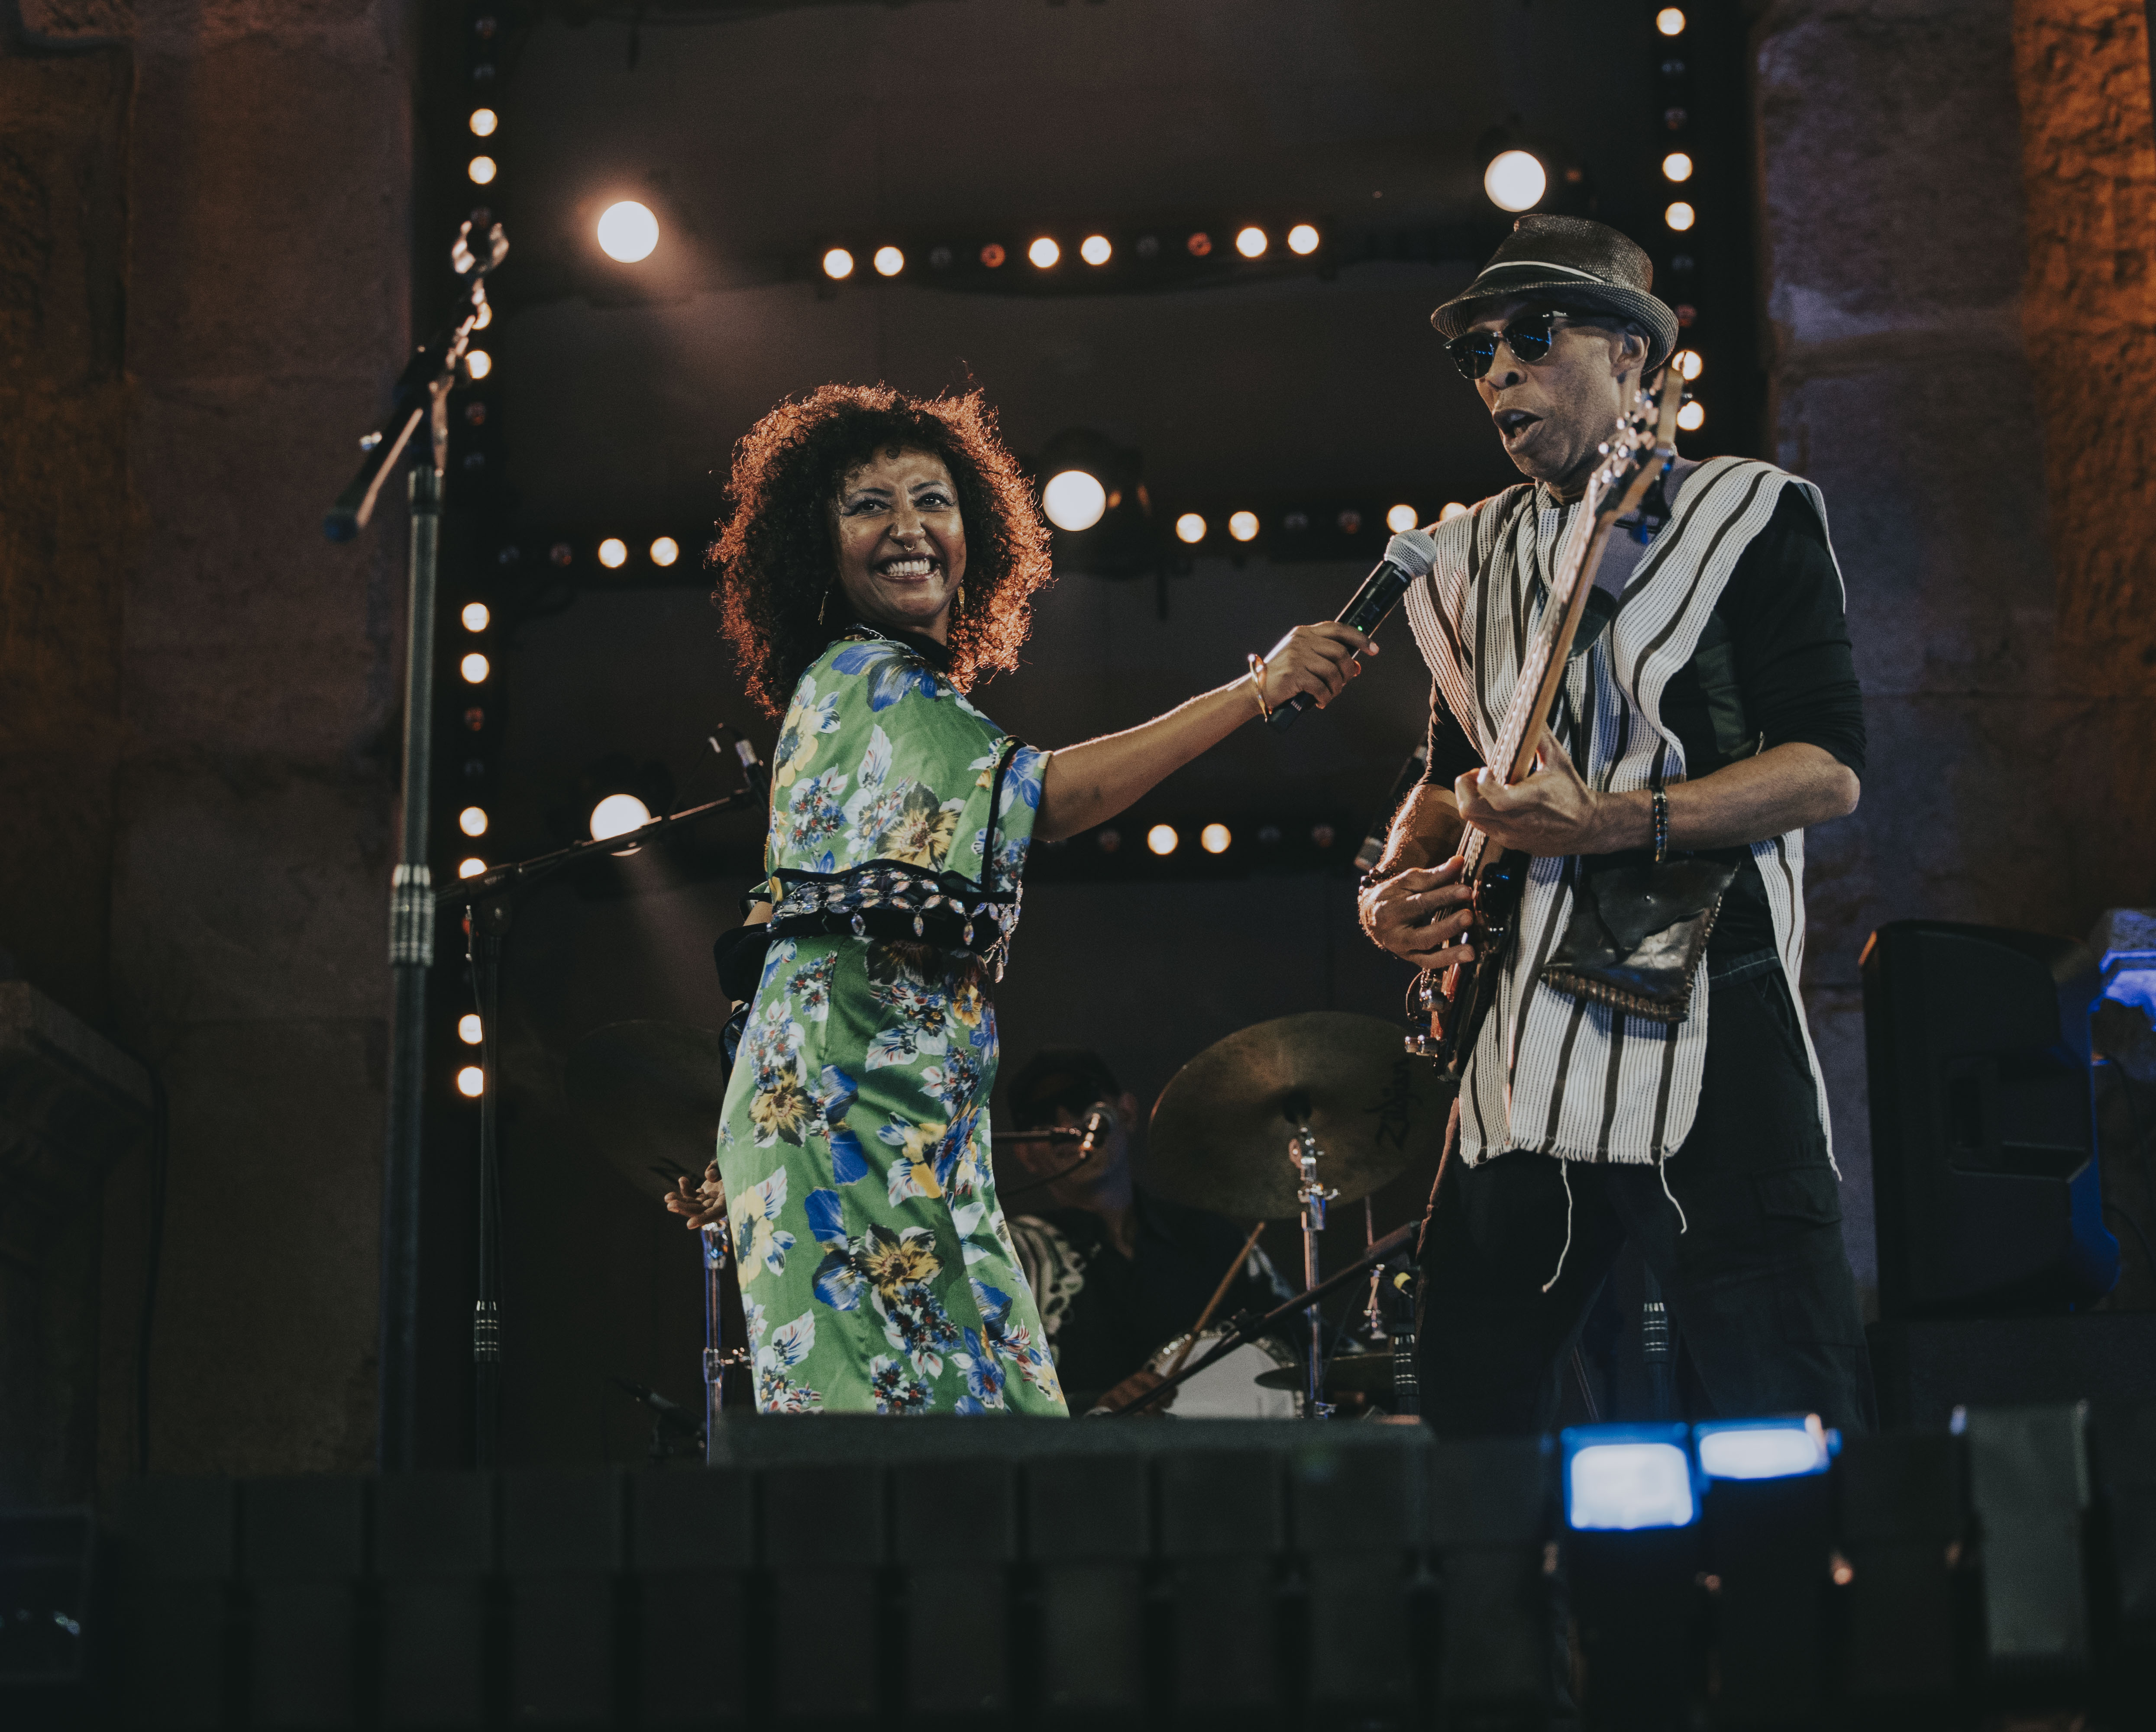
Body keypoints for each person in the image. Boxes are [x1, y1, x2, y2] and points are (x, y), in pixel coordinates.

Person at [666, 381, 1372, 1417]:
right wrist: (1255, 689)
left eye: (932, 500)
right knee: (918, 1446)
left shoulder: (873, 695)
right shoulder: (870, 680)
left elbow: (767, 935)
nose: (908, 527)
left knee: (985, 1431)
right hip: (848, 1126)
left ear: (976, 533)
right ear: (816, 543)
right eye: (868, 504)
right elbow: (1054, 799)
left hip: (897, 1122)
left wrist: (742, 1121)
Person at [1356, 214, 1876, 1437]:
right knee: (1470, 1419)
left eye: (1533, 336)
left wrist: (1609, 821)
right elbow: (1446, 776)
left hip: (1707, 994)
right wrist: (1389, 887)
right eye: (1478, 352)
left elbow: (1827, 772)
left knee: (1785, 1410)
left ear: (1635, 357)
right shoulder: (1464, 555)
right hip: (1517, 1023)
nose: (1499, 369)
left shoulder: (1748, 512)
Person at [994, 1047, 1290, 1414]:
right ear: (1024, 1153)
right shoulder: (1012, 1253)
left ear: (1128, 1113)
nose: (1065, 1123)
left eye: (1081, 1101)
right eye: (1040, 1119)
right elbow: (985, 1396)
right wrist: (1097, 1406)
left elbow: (1316, 1354)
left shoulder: (1217, 1240)